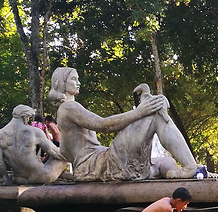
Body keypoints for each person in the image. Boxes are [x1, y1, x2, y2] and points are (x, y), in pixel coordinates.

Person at [48, 67, 202, 181]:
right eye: (74, 79)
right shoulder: (69, 107)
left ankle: (187, 172)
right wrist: (140, 112)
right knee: (156, 113)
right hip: (100, 164)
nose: (78, 82)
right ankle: (191, 167)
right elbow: (104, 125)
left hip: (97, 163)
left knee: (165, 161)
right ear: (61, 82)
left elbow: (66, 151)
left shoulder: (66, 110)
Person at [0, 105, 68, 184]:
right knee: (64, 157)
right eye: (28, 117)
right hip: (41, 176)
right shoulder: (34, 132)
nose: (28, 120)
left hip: (19, 179)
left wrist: (5, 179)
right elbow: (54, 152)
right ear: (25, 117)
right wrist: (72, 156)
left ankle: (61, 176)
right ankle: (69, 175)